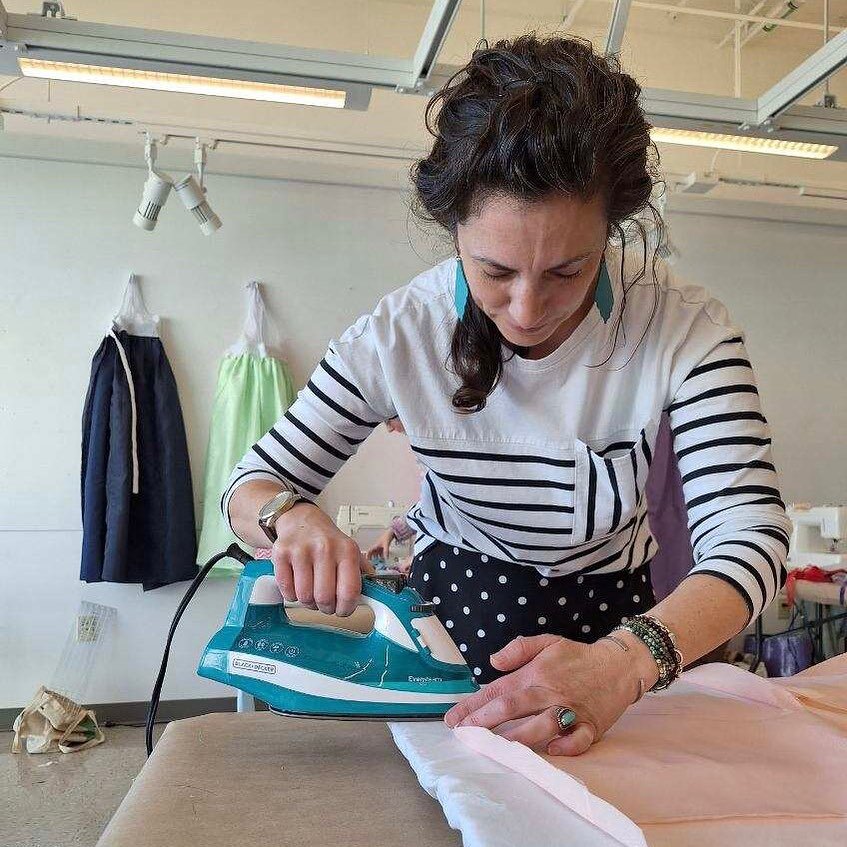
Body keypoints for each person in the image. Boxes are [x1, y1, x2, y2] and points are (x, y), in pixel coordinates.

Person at [223, 34, 790, 757]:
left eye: (566, 270)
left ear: (611, 231)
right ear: (453, 229)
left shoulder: (686, 330)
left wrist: (622, 663)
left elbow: (750, 536)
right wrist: (290, 514)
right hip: (449, 611)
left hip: (619, 631)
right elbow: (248, 485)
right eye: (494, 270)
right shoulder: (396, 335)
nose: (525, 310)